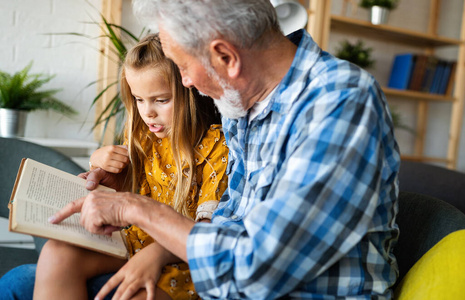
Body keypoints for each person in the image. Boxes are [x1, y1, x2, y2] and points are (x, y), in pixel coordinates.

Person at [3, 0, 401, 298]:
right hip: (222, 285)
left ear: (225, 56)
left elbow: (258, 269)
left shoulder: (338, 101)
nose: (188, 85)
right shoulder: (244, 106)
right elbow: (227, 221)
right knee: (33, 276)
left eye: (182, 67)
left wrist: (135, 208)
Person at [0, 33, 228, 300]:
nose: (148, 112)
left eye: (161, 100)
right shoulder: (145, 137)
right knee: (56, 252)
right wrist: (102, 171)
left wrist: (155, 254)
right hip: (132, 245)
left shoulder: (216, 146)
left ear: (190, 90)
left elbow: (208, 232)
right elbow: (128, 191)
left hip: (182, 263)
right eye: (139, 99)